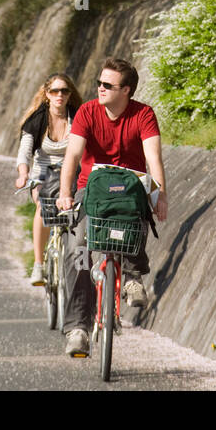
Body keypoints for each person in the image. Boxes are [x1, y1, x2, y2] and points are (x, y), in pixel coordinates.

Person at [57, 56, 168, 359]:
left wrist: (160, 198)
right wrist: (66, 193)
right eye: (99, 83)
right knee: (77, 248)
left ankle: (132, 277)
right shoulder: (86, 112)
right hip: (90, 191)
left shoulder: (143, 114)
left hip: (129, 189)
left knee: (137, 210)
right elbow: (73, 156)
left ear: (126, 91)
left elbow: (154, 161)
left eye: (108, 85)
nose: (100, 89)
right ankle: (78, 328)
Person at [15, 72, 83, 285]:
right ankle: (38, 265)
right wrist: (23, 174)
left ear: (70, 94)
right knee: (42, 208)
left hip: (71, 170)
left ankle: (78, 261)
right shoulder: (37, 119)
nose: (59, 95)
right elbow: (25, 152)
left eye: (64, 90)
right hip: (43, 171)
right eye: (54, 91)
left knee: (80, 208)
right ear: (47, 94)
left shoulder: (79, 116)